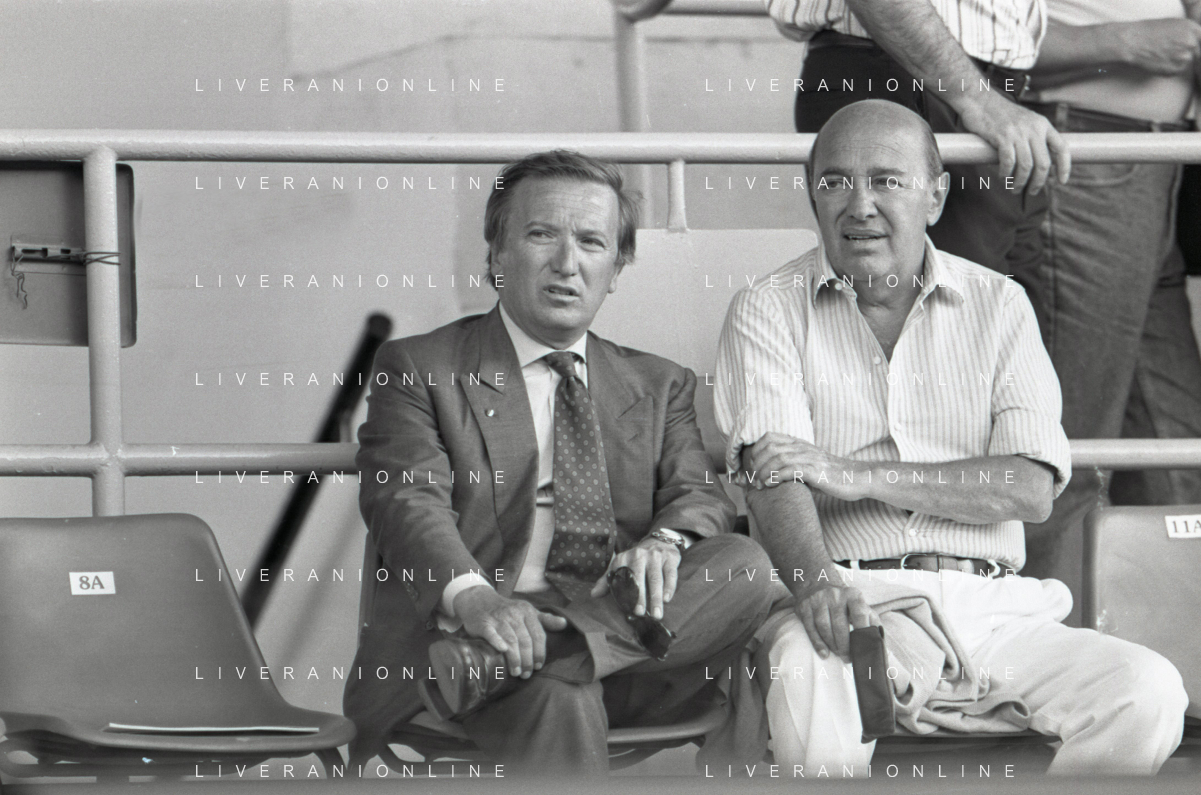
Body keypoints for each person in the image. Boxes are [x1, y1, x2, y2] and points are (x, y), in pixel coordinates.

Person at [714, 100, 1187, 774]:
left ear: (935, 197)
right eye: (835, 182)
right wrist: (816, 586)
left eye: (886, 180)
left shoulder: (998, 303)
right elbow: (774, 476)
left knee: (1146, 690)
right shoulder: (768, 305)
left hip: (995, 611)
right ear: (811, 194)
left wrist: (854, 474)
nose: (859, 205)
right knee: (808, 671)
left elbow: (1028, 487)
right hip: (853, 600)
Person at [344, 150, 776, 775]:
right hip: (471, 640)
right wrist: (477, 602)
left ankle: (547, 651)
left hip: (618, 652)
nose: (567, 263)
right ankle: (535, 658)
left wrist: (665, 542)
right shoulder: (420, 368)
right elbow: (404, 501)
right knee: (561, 698)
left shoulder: (659, 384)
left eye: (592, 242)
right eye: (542, 234)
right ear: (497, 254)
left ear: (616, 268)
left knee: (745, 563)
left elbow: (700, 495)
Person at [1015, 0, 1201, 620]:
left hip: (1159, 159)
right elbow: (973, 37)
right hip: (1085, 150)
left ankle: (1176, 657)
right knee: (1071, 449)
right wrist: (1126, 42)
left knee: (1174, 440)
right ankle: (1042, 653)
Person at [766, 0, 1071, 330]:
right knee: (955, 321)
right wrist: (980, 99)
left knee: (1002, 320)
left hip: (973, 89)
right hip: (915, 73)